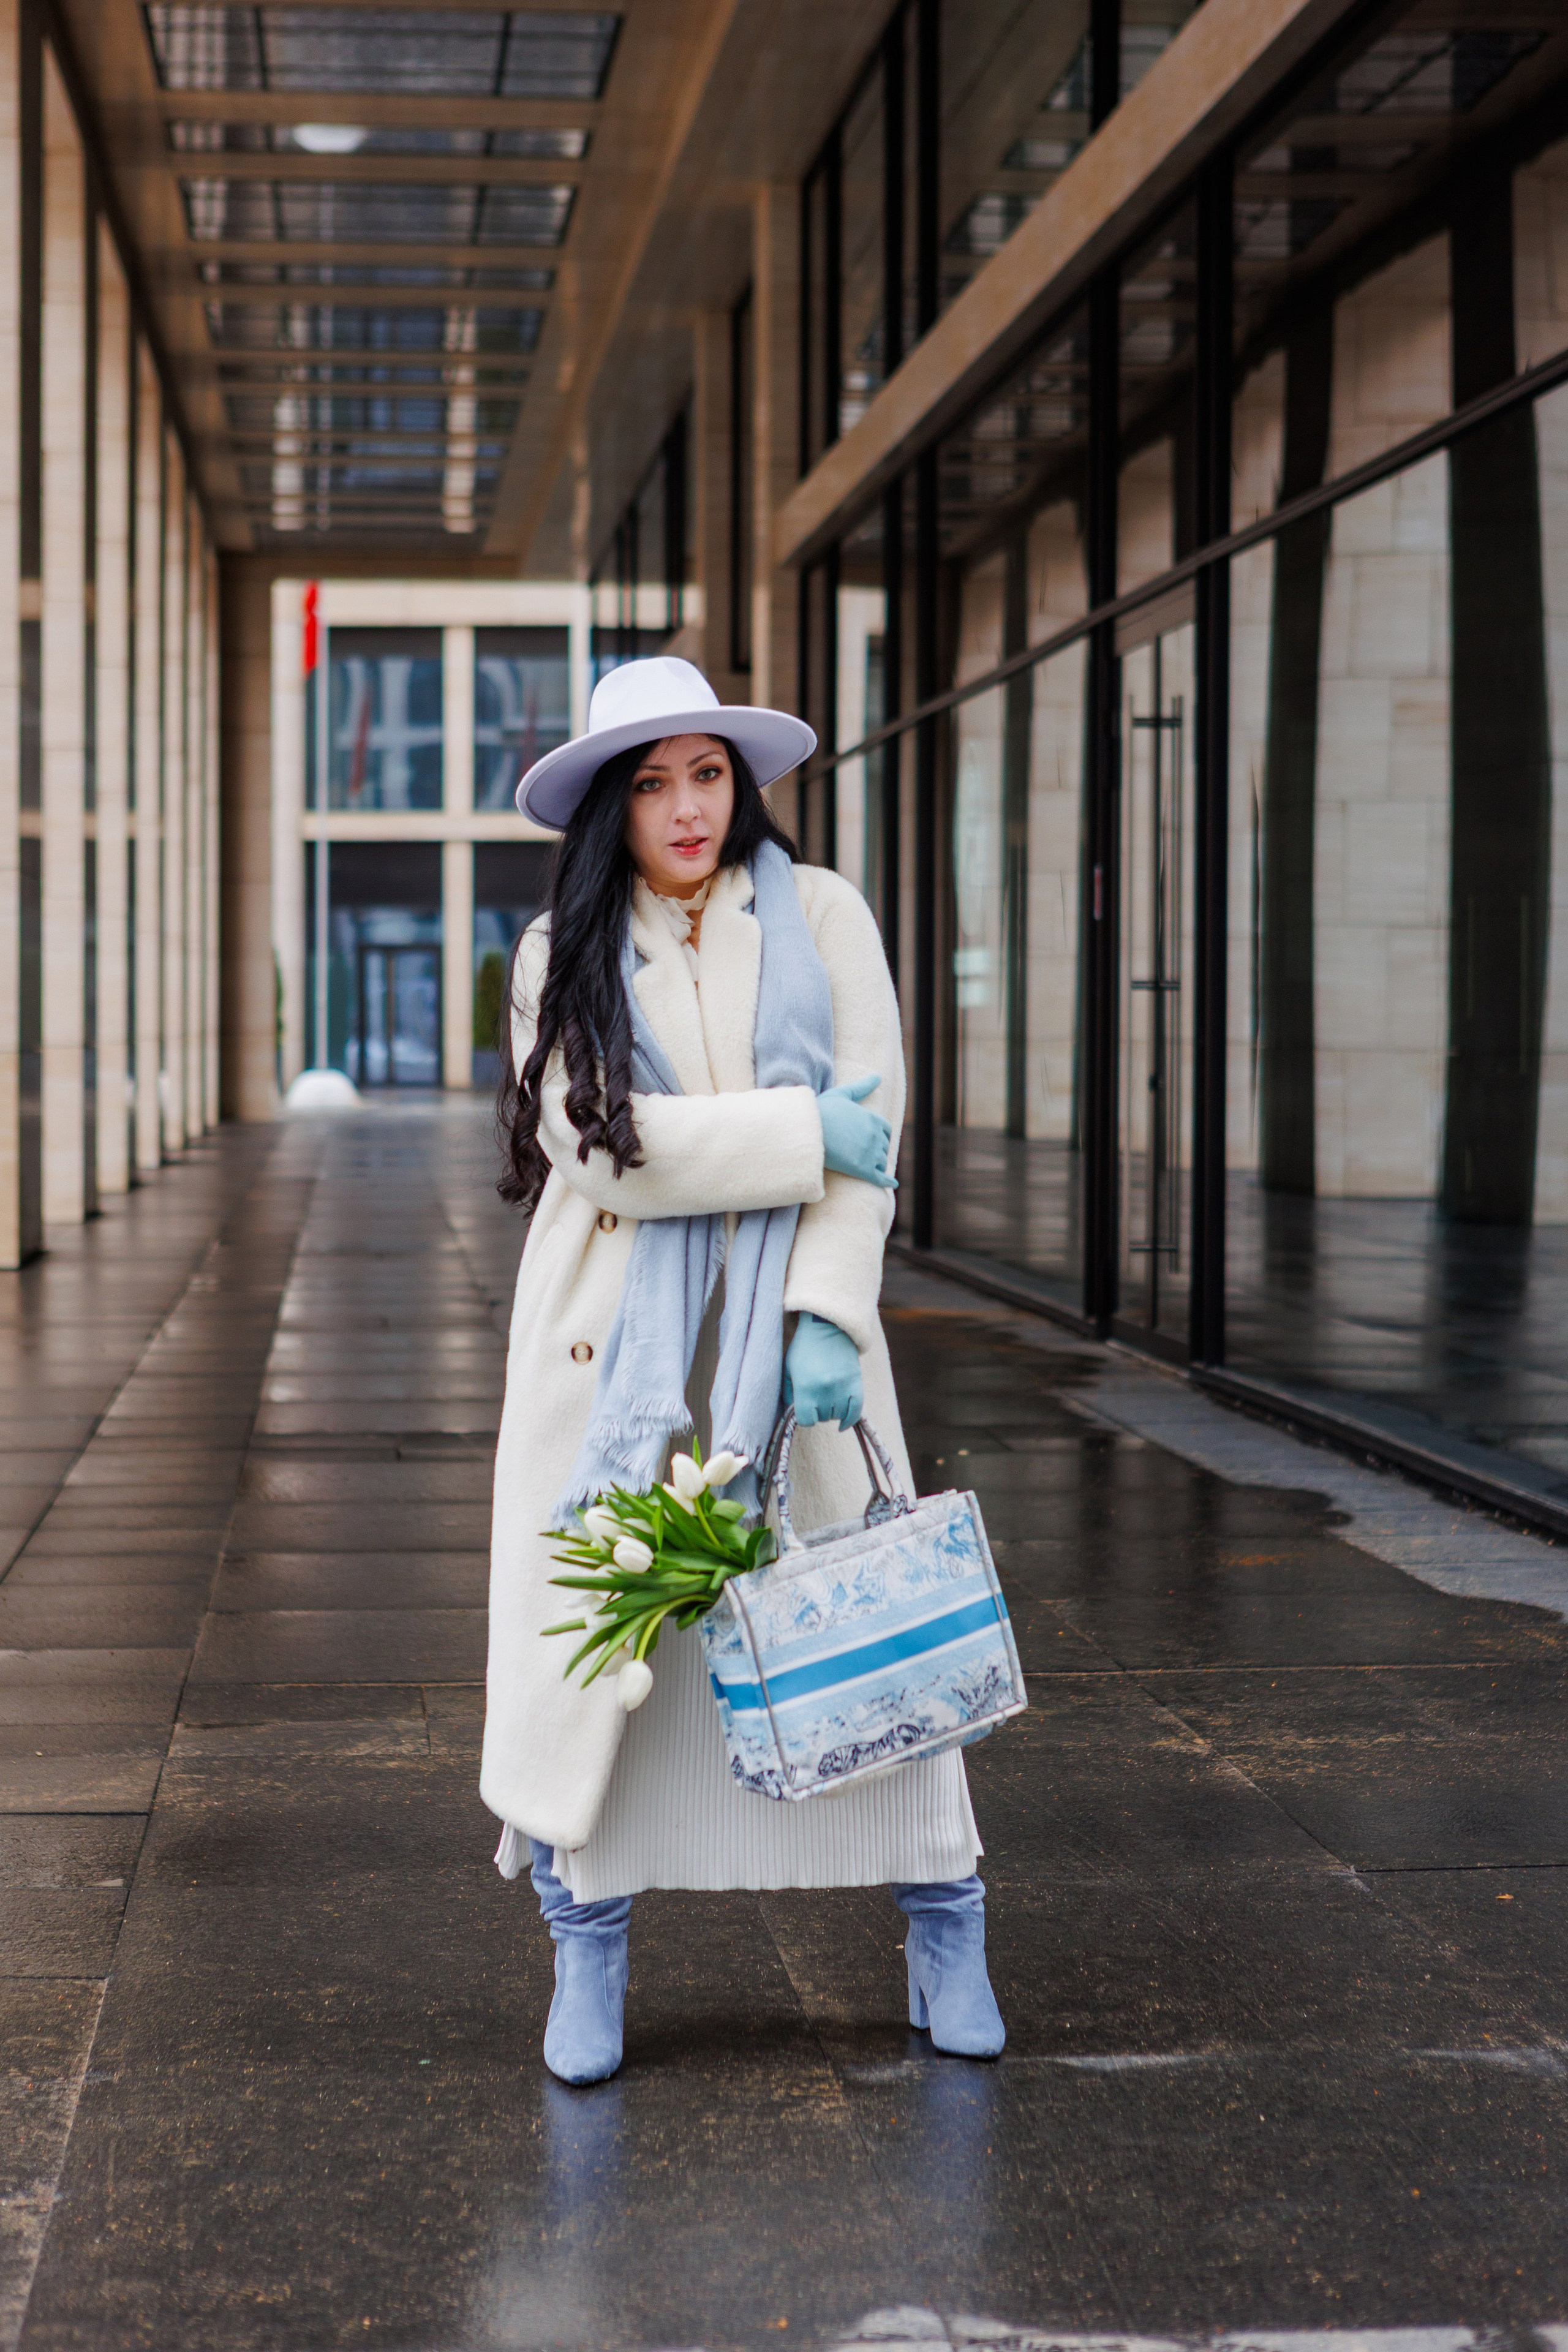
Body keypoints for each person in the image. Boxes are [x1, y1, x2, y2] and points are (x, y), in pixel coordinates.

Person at [482, 655, 1005, 2084]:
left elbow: (869, 1134)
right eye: (651, 783)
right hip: (616, 1367)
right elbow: (605, 1149)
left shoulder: (823, 913)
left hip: (788, 1345)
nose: (686, 808)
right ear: (609, 807)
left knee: (873, 1653)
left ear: (740, 783)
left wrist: (827, 1310)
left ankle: (944, 1931)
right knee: (607, 1667)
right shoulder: (556, 954)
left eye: (706, 774)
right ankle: (587, 1951)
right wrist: (796, 1133)